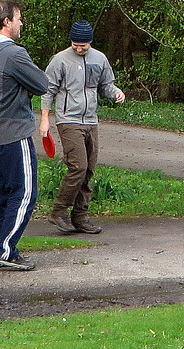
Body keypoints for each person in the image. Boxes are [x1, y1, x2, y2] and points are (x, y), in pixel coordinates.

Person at [0, 0, 50, 270]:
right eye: (18, 18)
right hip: (14, 132)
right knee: (24, 193)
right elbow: (41, 84)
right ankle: (6, 250)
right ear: (6, 21)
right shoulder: (12, 53)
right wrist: (25, 88)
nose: (21, 23)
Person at [41, 19, 126, 234]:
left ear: (90, 43)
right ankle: (58, 212)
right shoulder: (59, 60)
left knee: (88, 170)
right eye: (75, 45)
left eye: (83, 45)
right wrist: (45, 120)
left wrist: (116, 92)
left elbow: (106, 85)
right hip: (68, 120)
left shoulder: (99, 59)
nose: (79, 49)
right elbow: (47, 90)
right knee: (78, 166)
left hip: (91, 121)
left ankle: (80, 217)